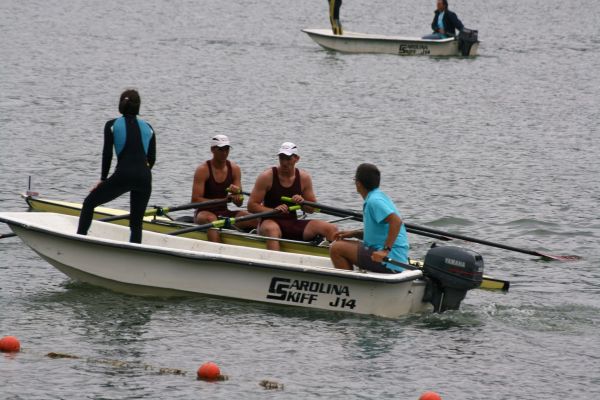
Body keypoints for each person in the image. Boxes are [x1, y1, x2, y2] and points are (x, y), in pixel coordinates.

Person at [77, 89, 156, 243]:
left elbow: (107, 154)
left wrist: (103, 179)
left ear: (121, 105)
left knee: (89, 203)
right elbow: (152, 158)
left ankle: (79, 241)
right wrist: (141, 173)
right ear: (138, 106)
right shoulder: (149, 128)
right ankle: (134, 252)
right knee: (136, 223)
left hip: (123, 174)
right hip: (145, 177)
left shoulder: (112, 125)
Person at [247, 142, 338, 251]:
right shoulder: (266, 177)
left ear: (297, 159)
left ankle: (336, 257)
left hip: (292, 222)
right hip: (269, 221)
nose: (284, 162)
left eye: (288, 159)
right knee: (272, 230)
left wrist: (302, 203)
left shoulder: (304, 178)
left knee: (331, 228)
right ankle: (275, 260)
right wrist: (273, 210)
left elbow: (312, 209)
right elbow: (251, 206)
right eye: (282, 158)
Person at [330, 163, 409, 273]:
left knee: (336, 248)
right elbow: (377, 234)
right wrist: (354, 233)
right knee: (342, 244)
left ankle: (349, 283)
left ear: (358, 183)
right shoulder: (378, 196)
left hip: (391, 260)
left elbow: (396, 221)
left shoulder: (374, 201)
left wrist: (385, 251)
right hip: (395, 256)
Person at [191, 135, 255, 242]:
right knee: (212, 220)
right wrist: (223, 200)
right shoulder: (203, 170)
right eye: (221, 149)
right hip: (204, 213)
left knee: (253, 218)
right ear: (212, 149)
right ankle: (217, 250)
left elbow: (239, 203)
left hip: (224, 212)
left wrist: (237, 196)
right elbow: (195, 201)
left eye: (227, 149)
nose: (224, 153)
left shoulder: (234, 169)